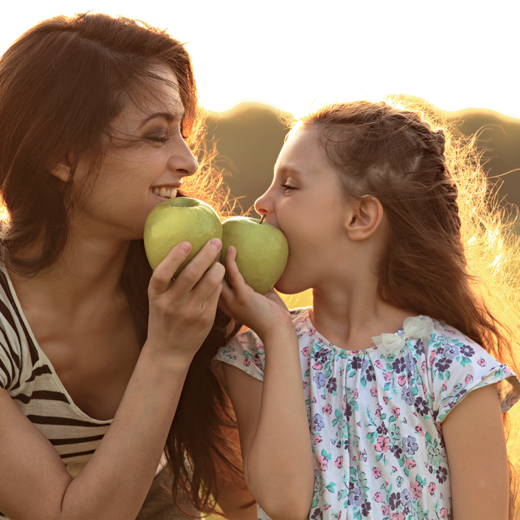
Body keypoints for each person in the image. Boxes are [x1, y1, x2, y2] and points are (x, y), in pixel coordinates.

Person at [0, 12, 255, 520]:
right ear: (63, 157)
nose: (189, 162)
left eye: (182, 132)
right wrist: (166, 353)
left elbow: (241, 493)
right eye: (157, 136)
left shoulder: (181, 283)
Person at [215, 99, 520, 520]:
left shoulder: (455, 371)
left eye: (288, 186)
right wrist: (279, 336)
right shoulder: (255, 357)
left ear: (360, 217)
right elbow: (284, 502)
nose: (261, 204)